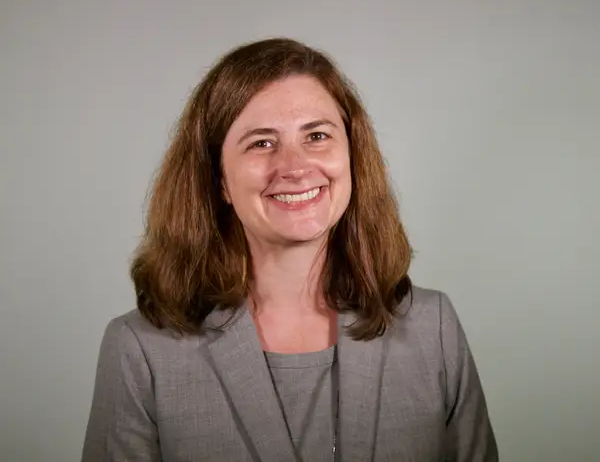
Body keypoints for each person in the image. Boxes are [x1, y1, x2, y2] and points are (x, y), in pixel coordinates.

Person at [82, 38, 498, 461]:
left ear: (352, 156)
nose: (296, 168)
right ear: (219, 180)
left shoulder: (434, 330)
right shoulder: (141, 349)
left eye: (317, 135)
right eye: (261, 143)